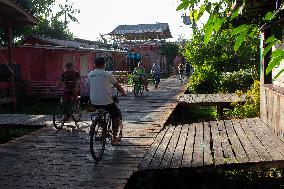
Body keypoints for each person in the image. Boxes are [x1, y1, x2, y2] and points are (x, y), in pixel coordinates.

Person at [88, 57, 127, 146]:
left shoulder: (90, 75)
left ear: (95, 64)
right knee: (117, 116)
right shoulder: (108, 74)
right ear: (104, 64)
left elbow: (90, 85)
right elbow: (117, 85)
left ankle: (102, 127)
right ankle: (114, 139)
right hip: (107, 102)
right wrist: (123, 93)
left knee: (100, 113)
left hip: (94, 101)